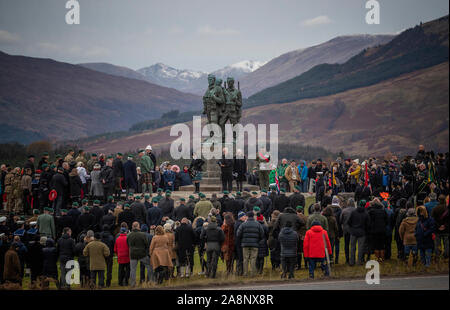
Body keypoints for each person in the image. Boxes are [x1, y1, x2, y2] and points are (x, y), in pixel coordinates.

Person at [236, 211, 264, 277]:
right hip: (255, 244)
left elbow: (238, 234)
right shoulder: (258, 224)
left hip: (245, 244)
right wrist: (257, 240)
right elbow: (262, 234)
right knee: (253, 258)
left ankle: (245, 273)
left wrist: (243, 240)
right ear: (253, 216)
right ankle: (253, 273)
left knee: (245, 259)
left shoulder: (243, 224)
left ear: (247, 216)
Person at [127, 221, 151, 287]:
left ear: (132, 226)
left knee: (133, 270)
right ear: (138, 226)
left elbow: (128, 244)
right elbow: (146, 244)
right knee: (149, 266)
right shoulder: (142, 234)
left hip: (133, 254)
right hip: (142, 254)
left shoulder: (129, 235)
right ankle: (151, 281)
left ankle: (132, 284)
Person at [347, 200, 370, 266]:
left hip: (354, 231)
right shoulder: (366, 213)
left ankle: (352, 261)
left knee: (352, 247)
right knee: (360, 248)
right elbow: (368, 224)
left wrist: (352, 228)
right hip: (362, 232)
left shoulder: (353, 212)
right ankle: (359, 261)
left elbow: (349, 222)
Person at [431, 195, 449, 260]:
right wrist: (445, 226)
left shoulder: (435, 208)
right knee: (446, 243)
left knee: (437, 244)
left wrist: (438, 226)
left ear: (438, 200)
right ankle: (446, 255)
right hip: (446, 229)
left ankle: (437, 256)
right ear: (444, 200)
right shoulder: (447, 209)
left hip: (437, 229)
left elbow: (433, 219)